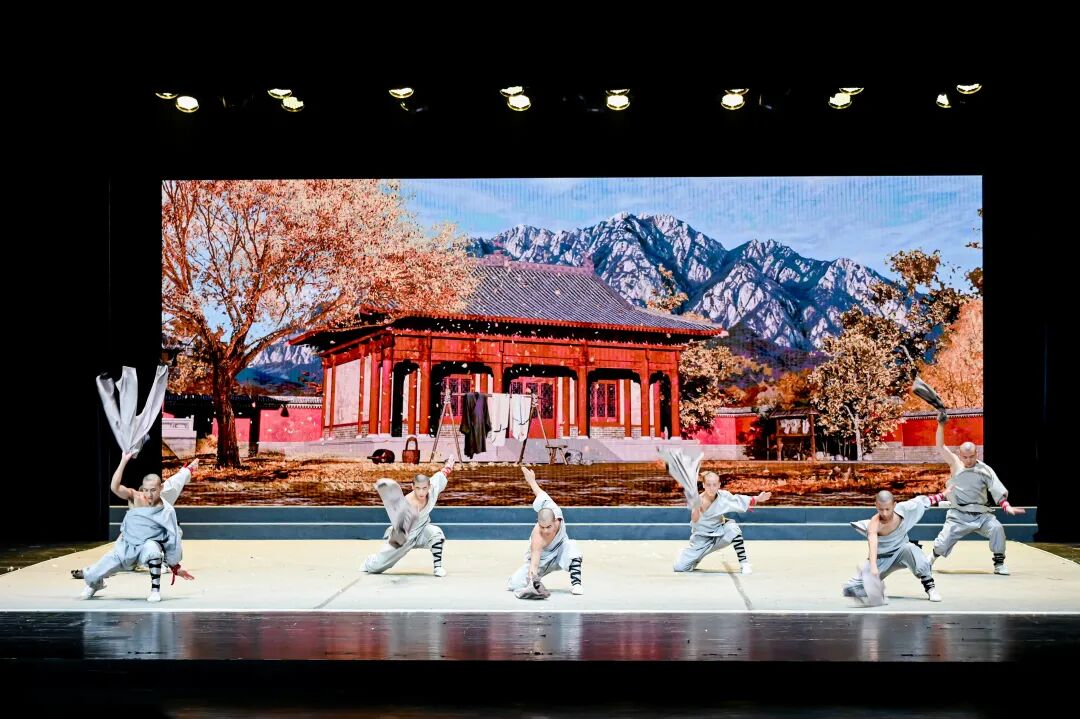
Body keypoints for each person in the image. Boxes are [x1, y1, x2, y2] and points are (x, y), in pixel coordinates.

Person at [78, 452, 196, 602]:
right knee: (91, 574)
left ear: (160, 488)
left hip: (147, 546)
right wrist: (123, 460)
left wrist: (175, 566)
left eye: (153, 490)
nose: (149, 494)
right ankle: (95, 584)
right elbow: (115, 487)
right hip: (127, 546)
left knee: (153, 549)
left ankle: (155, 590)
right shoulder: (136, 497)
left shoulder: (167, 509)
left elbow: (173, 538)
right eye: (146, 490)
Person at [930, 412, 1024, 575]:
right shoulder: (955, 464)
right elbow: (940, 446)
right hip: (958, 514)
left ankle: (999, 564)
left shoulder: (985, 470)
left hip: (981, 515)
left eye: (971, 456)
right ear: (960, 455)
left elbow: (996, 488)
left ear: (977, 454)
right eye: (965, 457)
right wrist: (940, 425)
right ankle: (929, 560)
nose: (968, 460)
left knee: (997, 529)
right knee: (942, 542)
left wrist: (1006, 506)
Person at [659, 448, 770, 574]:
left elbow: (738, 500)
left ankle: (744, 563)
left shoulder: (724, 496)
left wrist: (758, 499)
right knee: (680, 567)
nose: (711, 488)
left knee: (733, 528)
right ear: (704, 485)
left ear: (719, 485)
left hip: (719, 534)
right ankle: (693, 557)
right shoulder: (698, 500)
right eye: (708, 485)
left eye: (714, 484)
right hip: (701, 539)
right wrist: (696, 506)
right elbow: (695, 520)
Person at [843, 490, 946, 604]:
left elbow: (923, 502)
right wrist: (873, 567)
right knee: (850, 588)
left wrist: (943, 494)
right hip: (881, 559)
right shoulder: (874, 524)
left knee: (911, 548)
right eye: (881, 509)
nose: (884, 513)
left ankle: (930, 588)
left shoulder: (904, 509)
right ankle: (872, 591)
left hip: (901, 552)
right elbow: (872, 545)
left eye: (887, 509)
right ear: (876, 505)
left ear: (894, 505)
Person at [362, 457, 455, 576]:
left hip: (422, 530)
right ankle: (369, 563)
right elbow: (398, 521)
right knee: (377, 566)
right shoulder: (406, 503)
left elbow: (442, 474)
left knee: (437, 534)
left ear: (429, 487)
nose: (421, 492)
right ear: (413, 487)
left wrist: (448, 466)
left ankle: (438, 567)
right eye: (418, 488)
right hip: (404, 537)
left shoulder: (432, 490)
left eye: (424, 488)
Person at [506, 466, 583, 595]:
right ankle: (534, 583)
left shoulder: (555, 510)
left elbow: (540, 492)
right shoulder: (537, 536)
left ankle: (577, 584)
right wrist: (532, 583)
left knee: (572, 547)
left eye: (549, 527)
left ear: (555, 521)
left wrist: (532, 481)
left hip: (559, 552)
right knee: (514, 584)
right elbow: (534, 563)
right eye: (542, 527)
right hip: (542, 560)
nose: (545, 531)